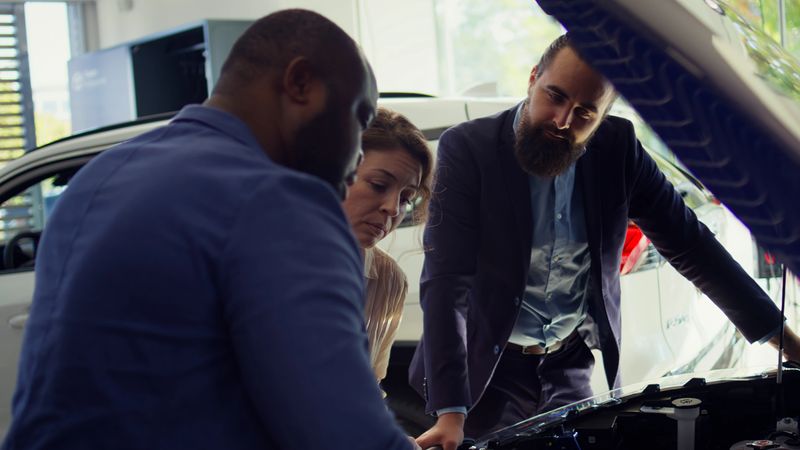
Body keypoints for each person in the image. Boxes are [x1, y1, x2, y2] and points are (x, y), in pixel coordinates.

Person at [3, 10, 418, 450]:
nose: (356, 156)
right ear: (300, 83)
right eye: (358, 118)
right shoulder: (281, 200)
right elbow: (344, 433)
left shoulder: (101, 173)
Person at [410, 33, 800, 450]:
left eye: (584, 113)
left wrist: (788, 342)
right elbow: (446, 281)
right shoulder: (468, 148)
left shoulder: (620, 148)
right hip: (486, 371)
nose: (562, 121)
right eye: (554, 96)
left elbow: (692, 245)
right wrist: (451, 412)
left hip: (569, 362)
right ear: (532, 78)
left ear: (602, 118)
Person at [342, 107, 433, 387]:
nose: (393, 209)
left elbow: (367, 391)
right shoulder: (269, 257)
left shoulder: (389, 281)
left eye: (407, 198)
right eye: (379, 185)